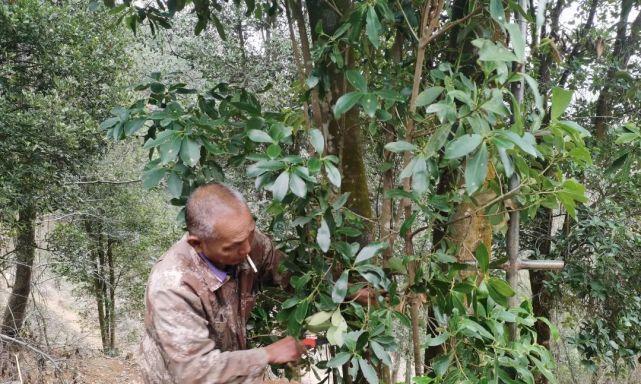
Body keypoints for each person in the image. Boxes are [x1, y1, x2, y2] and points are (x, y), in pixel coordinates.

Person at [138, 183, 306, 384]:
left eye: (250, 234)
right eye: (232, 247)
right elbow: (194, 372)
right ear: (197, 244)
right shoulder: (173, 286)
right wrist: (267, 354)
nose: (246, 249)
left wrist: (346, 292)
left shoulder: (243, 241)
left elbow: (292, 273)